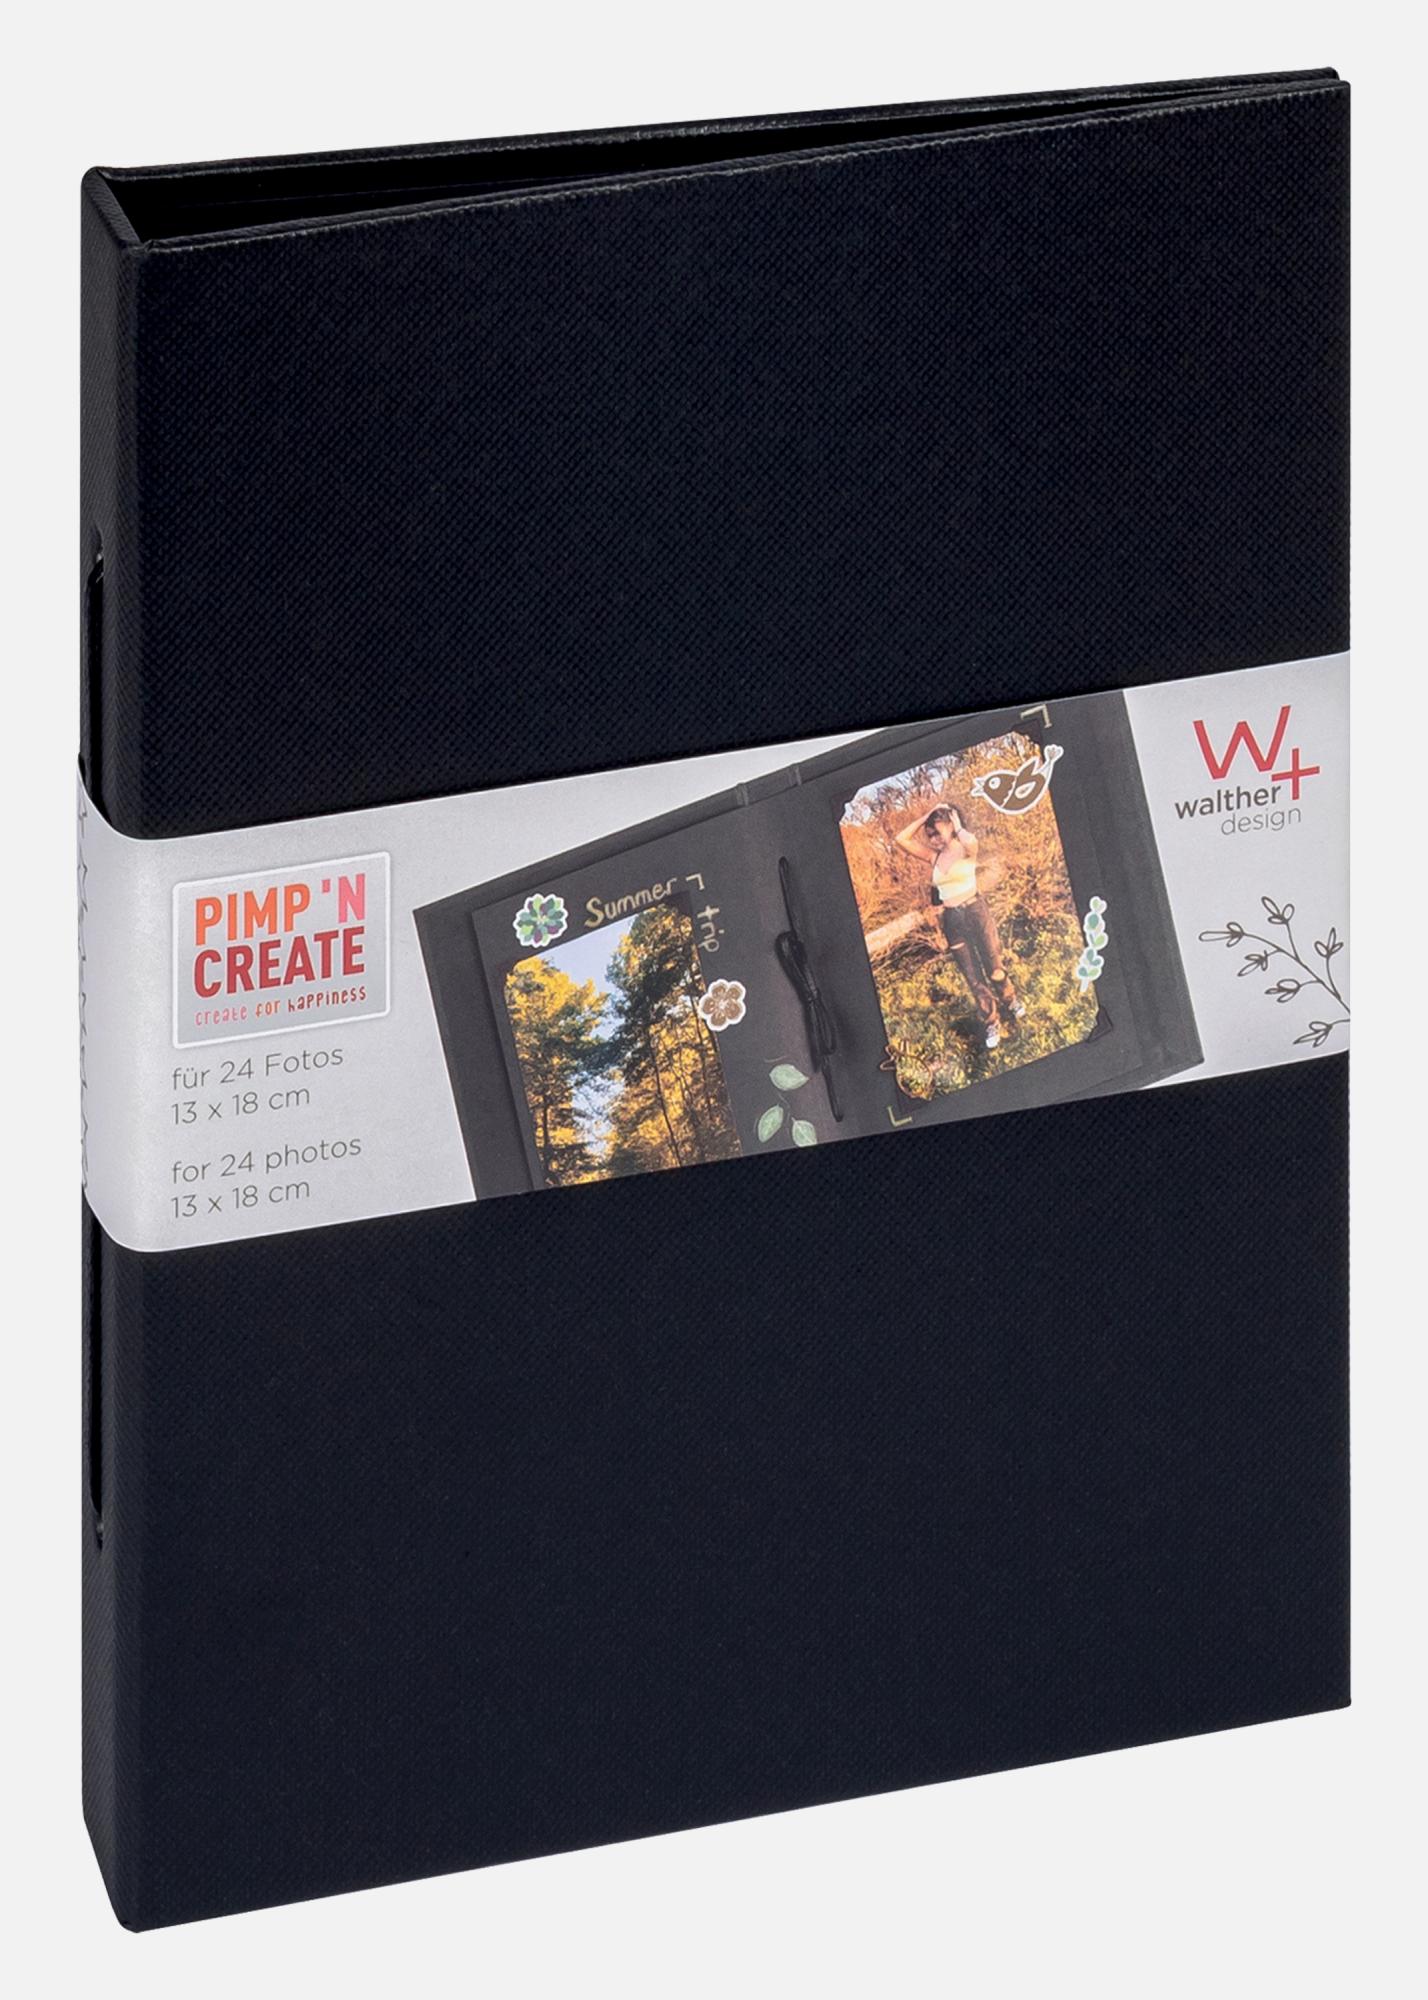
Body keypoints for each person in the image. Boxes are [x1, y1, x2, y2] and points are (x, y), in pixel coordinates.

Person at [894, 803, 1024, 1050]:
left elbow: (971, 840)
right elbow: (901, 839)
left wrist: (957, 824)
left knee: (994, 967)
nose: (934, 840)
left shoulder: (966, 848)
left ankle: (1010, 1000)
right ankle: (991, 1021)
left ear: (951, 826)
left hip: (976, 912)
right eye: (930, 835)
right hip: (952, 920)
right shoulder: (933, 857)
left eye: (938, 832)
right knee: (973, 976)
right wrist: (927, 814)